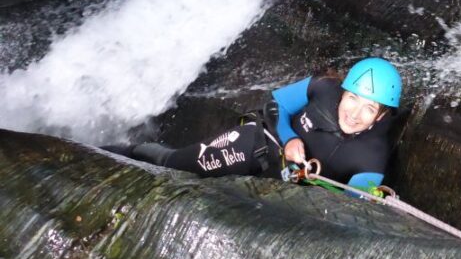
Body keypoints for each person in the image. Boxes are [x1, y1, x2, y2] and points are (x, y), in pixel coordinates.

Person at [123, 57, 402, 191]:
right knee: (173, 164)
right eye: (353, 98)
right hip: (253, 147)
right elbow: (274, 103)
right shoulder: (323, 88)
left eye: (370, 108)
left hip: (290, 192)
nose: (355, 114)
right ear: (344, 92)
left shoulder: (371, 159)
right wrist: (289, 138)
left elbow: (354, 209)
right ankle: (128, 151)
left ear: (380, 116)